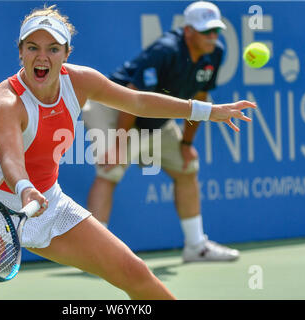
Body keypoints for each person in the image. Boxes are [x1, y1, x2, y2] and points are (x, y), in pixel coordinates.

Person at [0, 4, 255, 300]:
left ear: (66, 54)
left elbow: (139, 101)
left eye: (53, 49)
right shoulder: (6, 101)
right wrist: (25, 189)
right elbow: (10, 157)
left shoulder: (80, 81)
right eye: (33, 47)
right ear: (20, 52)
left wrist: (206, 111)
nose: (42, 57)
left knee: (135, 274)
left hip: (49, 203)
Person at [82, 1, 240, 262]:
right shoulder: (166, 51)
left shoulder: (215, 53)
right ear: (188, 30)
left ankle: (196, 246)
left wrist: (186, 144)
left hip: (156, 118)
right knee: (109, 171)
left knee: (187, 169)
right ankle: (95, 255)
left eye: (216, 31)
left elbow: (200, 96)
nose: (213, 37)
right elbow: (133, 95)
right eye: (206, 31)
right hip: (116, 109)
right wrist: (119, 141)